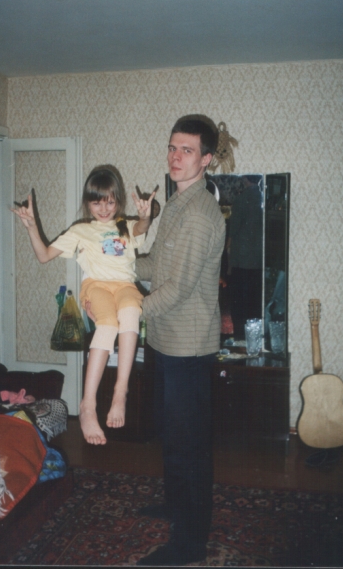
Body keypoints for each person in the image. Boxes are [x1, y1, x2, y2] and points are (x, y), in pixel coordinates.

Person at [133, 115, 226, 566]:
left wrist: (127, 314)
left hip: (189, 347)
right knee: (172, 435)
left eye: (187, 150)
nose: (175, 156)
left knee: (189, 448)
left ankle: (190, 545)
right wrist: (116, 264)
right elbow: (156, 266)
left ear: (206, 159)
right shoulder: (175, 203)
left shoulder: (200, 214)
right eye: (172, 147)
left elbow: (179, 288)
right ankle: (176, 506)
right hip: (167, 340)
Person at [12, 165, 155, 446]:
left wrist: (145, 216)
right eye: (96, 202)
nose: (104, 209)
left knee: (130, 312)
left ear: (118, 202)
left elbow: (142, 227)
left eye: (110, 202)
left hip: (125, 286)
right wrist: (32, 227)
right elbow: (44, 255)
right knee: (107, 325)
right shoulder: (81, 230)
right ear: (87, 203)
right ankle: (88, 404)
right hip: (96, 286)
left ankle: (120, 392)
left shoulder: (125, 226)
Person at [228, 175, 263, 339]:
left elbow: (233, 230)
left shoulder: (241, 200)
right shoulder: (263, 198)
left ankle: (240, 338)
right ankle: (253, 340)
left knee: (239, 305)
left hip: (241, 261)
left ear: (245, 179)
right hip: (258, 261)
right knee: (254, 305)